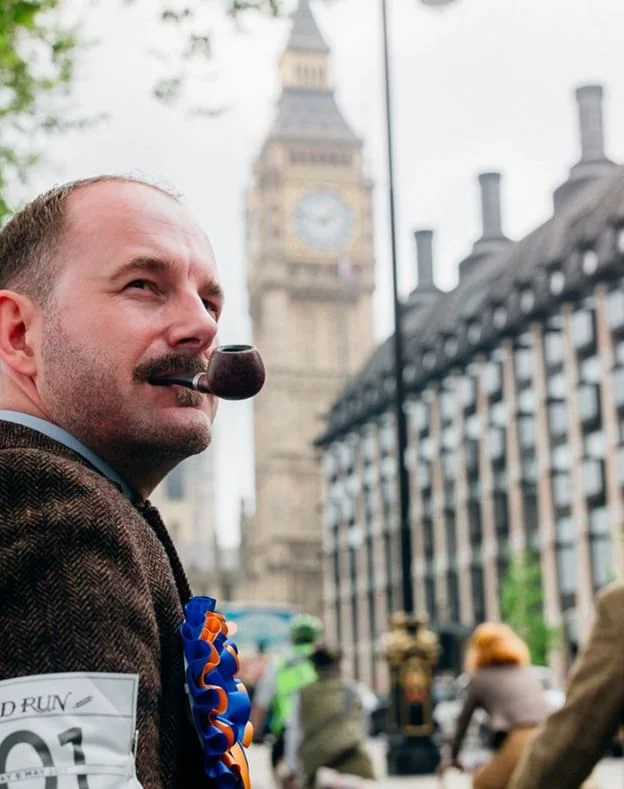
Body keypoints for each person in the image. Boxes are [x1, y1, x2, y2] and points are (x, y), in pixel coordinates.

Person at [0, 176, 245, 789]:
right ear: (18, 334)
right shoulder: (52, 509)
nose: (204, 329)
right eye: (144, 286)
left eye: (210, 303)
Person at [508, 576, 624, 789]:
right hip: (529, 734)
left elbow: (571, 740)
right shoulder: (530, 673)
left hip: (518, 742)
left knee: (482, 781)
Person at [439, 622, 549, 789]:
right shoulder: (526, 672)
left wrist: (452, 757)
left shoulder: (479, 678)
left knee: (483, 783)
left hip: (520, 739)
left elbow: (463, 722)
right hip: (548, 734)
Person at [283, 645, 375, 789]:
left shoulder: (302, 695)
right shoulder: (355, 691)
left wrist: (293, 768)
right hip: (354, 761)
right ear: (338, 665)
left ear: (315, 667)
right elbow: (364, 728)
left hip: (315, 765)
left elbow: (294, 733)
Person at [251, 614, 322, 775]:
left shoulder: (279, 665)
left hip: (286, 733)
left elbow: (260, 704)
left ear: (292, 638)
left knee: (284, 775)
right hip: (321, 732)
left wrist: (256, 733)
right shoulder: (324, 662)